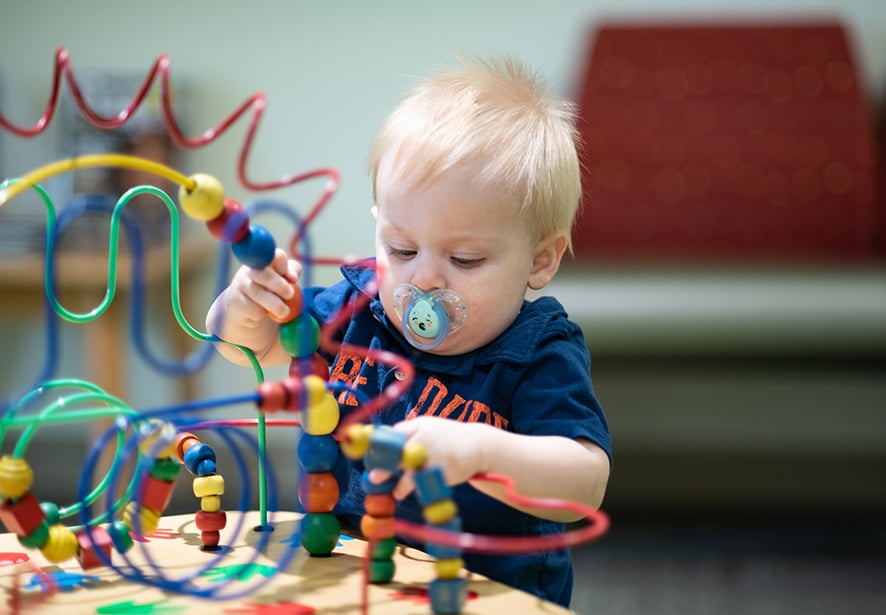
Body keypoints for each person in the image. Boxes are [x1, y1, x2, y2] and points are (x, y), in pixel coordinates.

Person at [206, 54, 611, 607]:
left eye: (465, 259)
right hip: (350, 584)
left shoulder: (536, 351)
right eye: (401, 248)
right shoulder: (359, 308)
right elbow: (246, 348)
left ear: (540, 261)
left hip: (488, 596)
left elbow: (584, 485)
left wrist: (482, 450)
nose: (422, 277)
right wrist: (242, 307)